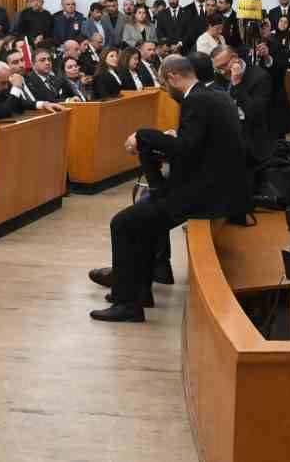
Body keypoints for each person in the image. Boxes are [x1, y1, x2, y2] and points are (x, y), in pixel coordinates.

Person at [89, 55, 248, 322]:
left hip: (205, 195)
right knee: (144, 219)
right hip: (217, 187)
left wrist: (144, 135)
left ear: (174, 78)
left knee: (123, 223)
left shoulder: (196, 100)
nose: (165, 90)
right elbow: (195, 144)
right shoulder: (213, 95)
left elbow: (187, 149)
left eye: (164, 85)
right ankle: (137, 291)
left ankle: (127, 303)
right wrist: (169, 138)